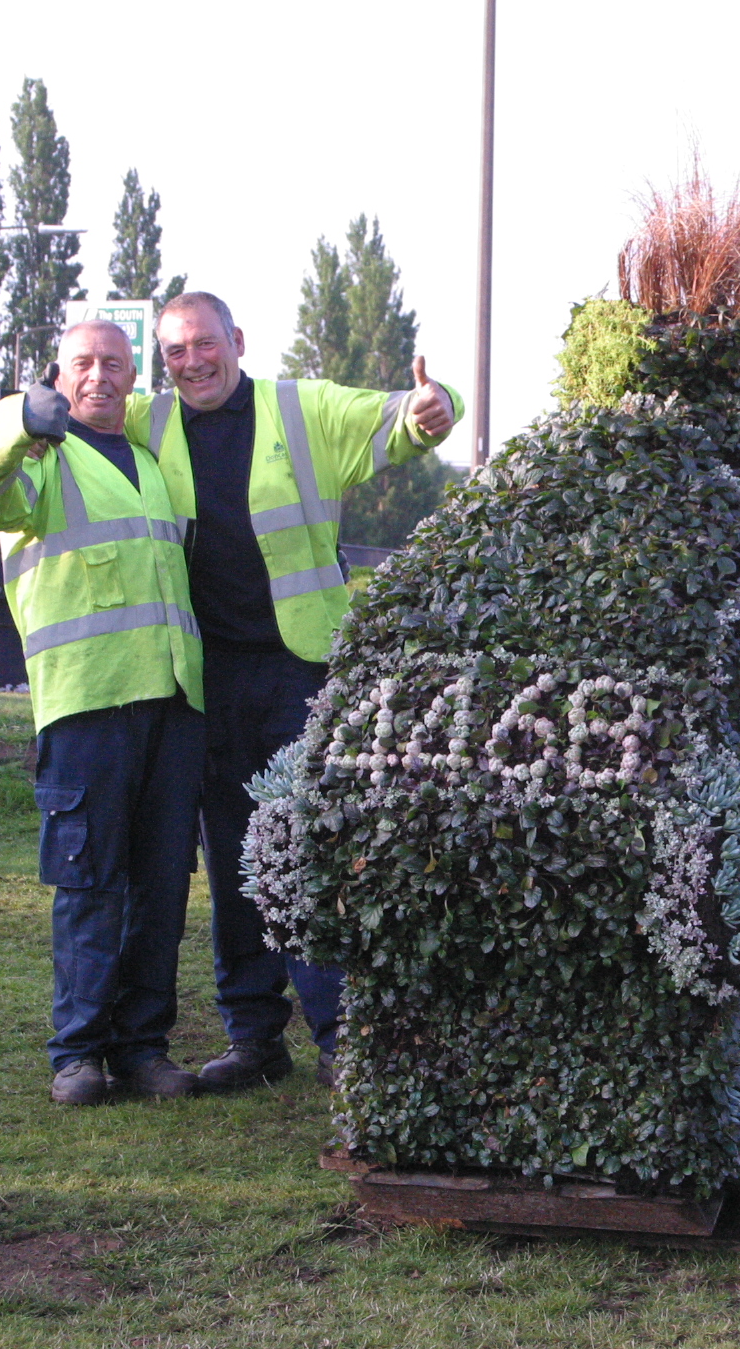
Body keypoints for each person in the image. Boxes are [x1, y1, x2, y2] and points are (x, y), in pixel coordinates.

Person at [129, 290, 460, 1091]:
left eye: (204, 344)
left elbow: (398, 421)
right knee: (236, 853)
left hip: (298, 668)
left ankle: (340, 1032)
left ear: (236, 340)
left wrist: (430, 408)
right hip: (203, 678)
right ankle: (252, 1037)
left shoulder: (300, 409)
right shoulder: (148, 424)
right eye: (175, 352)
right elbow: (80, 417)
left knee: (306, 847)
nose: (192, 362)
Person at [0, 319, 207, 1106]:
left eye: (116, 365)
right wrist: (18, 419)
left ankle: (142, 1049)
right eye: (83, 365)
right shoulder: (39, 461)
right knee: (90, 884)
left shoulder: (154, 463)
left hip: (171, 700)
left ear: (135, 378)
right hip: (86, 703)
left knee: (161, 888)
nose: (100, 377)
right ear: (58, 378)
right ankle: (79, 1055)